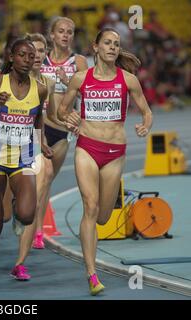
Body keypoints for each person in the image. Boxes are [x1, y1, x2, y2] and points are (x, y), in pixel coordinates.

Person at [57, 28, 152, 295]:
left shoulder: (129, 79)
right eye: (107, 43)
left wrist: (145, 125)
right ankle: (91, 273)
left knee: (103, 216)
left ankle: (92, 246)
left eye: (116, 44)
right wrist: (69, 118)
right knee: (90, 205)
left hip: (115, 153)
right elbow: (62, 110)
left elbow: (147, 112)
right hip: (87, 147)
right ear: (95, 47)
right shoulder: (80, 78)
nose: (112, 47)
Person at [0, 39, 53, 292]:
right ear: (12, 57)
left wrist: (42, 143)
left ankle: (19, 209)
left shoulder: (40, 89)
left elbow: (37, 118)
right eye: (22, 55)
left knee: (28, 214)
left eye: (31, 56)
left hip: (22, 158)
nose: (28, 59)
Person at [34, 17, 88, 249]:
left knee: (46, 181)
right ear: (52, 35)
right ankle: (26, 216)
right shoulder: (39, 59)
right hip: (39, 128)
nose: (66, 35)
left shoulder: (79, 62)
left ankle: (36, 230)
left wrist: (72, 85)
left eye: (70, 32)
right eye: (61, 31)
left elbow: (89, 95)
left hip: (62, 131)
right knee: (41, 174)